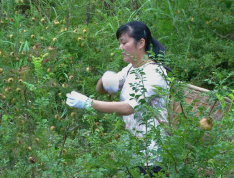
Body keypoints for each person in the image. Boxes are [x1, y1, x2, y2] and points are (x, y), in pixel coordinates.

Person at [65, 21, 170, 177]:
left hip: (153, 152)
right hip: (135, 148)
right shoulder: (131, 69)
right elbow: (100, 89)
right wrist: (106, 78)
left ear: (141, 43)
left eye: (124, 42)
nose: (120, 47)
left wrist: (89, 103)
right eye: (120, 43)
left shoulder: (154, 73)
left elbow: (128, 107)